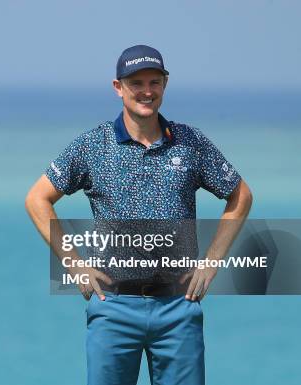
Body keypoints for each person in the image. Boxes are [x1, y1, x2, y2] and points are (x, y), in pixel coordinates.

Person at [25, 45, 253, 385]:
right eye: (136, 83)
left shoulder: (190, 143)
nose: (146, 91)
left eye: (154, 82)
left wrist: (212, 261)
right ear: (118, 88)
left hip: (178, 307)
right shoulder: (93, 146)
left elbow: (240, 194)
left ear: (165, 84)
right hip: (113, 307)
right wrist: (73, 264)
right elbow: (37, 198)